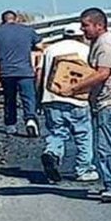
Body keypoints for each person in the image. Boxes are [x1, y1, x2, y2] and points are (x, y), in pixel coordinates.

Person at [66, 8, 111, 203]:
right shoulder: (104, 41)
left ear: (99, 25)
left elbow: (102, 73)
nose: (83, 30)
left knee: (106, 146)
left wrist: (75, 88)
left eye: (86, 25)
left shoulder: (105, 44)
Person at [38, 24, 98, 184]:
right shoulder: (88, 50)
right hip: (78, 99)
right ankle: (84, 170)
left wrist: (39, 99)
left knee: (57, 132)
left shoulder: (50, 50)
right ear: (81, 35)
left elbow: (39, 74)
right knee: (83, 134)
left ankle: (52, 153)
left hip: (51, 97)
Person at [0, 10, 43, 137]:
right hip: (25, 71)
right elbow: (40, 46)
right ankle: (30, 119)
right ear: (16, 19)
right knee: (28, 97)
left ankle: (11, 125)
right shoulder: (28, 31)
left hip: (6, 72)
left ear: (3, 20)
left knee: (9, 98)